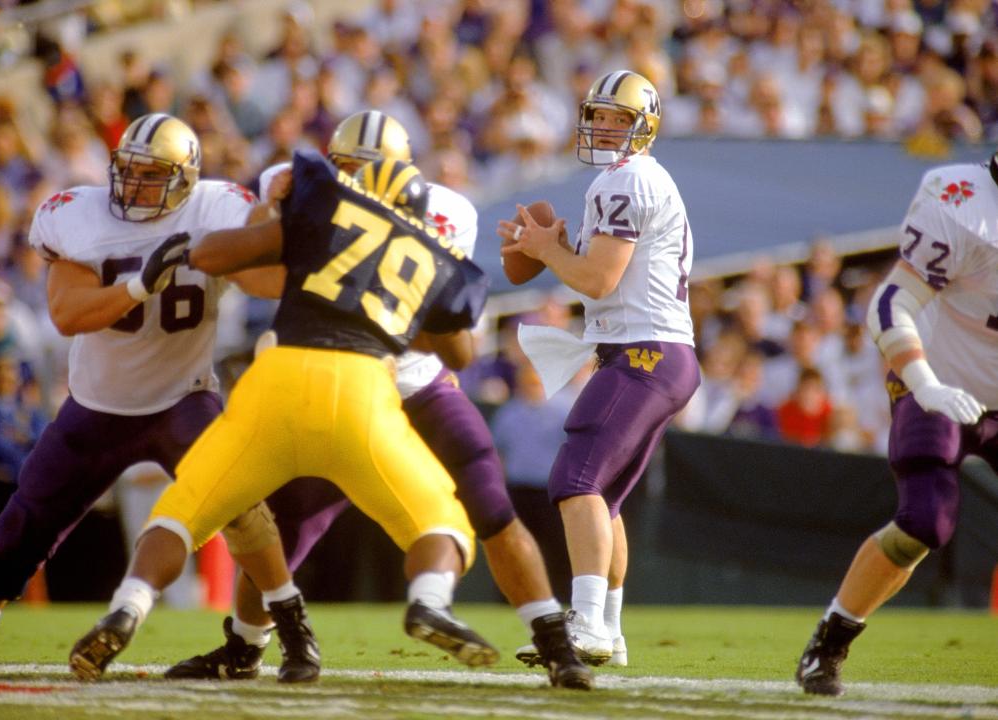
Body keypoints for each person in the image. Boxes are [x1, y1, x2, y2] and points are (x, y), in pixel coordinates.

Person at [164, 110, 592, 690]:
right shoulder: (303, 192)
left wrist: (357, 302)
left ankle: (555, 643)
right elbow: (256, 273)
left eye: (368, 169)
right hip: (336, 382)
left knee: (491, 507)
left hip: (414, 384)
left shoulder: (445, 211)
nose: (356, 180)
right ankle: (245, 645)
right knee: (290, 520)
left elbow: (439, 325)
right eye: (345, 168)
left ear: (402, 170)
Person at [68, 151, 499, 683]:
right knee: (440, 520)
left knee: (184, 510)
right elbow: (460, 357)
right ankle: (429, 599)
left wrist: (274, 217)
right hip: (363, 390)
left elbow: (211, 254)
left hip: (277, 378)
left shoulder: (324, 217)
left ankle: (129, 604)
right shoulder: (431, 251)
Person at [0, 115, 313, 682]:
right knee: (25, 524)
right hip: (97, 405)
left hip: (183, 398)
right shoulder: (77, 213)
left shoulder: (215, 207)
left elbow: (269, 280)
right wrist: (141, 284)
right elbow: (66, 314)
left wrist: (278, 220)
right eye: (128, 172)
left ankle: (285, 626)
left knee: (244, 504)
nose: (135, 187)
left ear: (186, 178)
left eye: (152, 175)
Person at [498, 70, 701, 666]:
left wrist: (547, 251)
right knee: (603, 500)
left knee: (575, 481)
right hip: (657, 353)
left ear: (645, 126)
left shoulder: (626, 180)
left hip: (645, 352)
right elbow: (599, 274)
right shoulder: (632, 180)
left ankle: (585, 622)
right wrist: (555, 244)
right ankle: (607, 628)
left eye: (620, 118)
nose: (606, 127)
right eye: (600, 117)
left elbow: (597, 279)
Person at [795, 153, 998, 696]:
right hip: (937, 377)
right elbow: (891, 302)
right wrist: (924, 382)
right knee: (925, 521)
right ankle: (832, 638)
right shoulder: (963, 204)